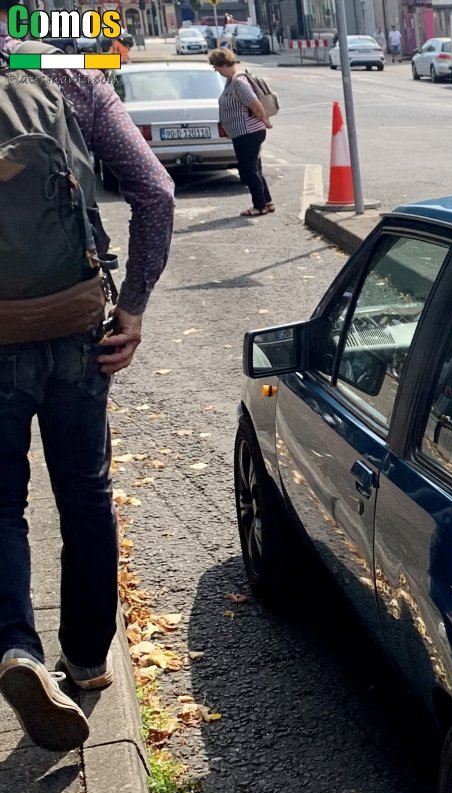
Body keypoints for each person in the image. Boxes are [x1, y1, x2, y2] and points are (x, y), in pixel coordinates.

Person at [0, 28, 175, 751]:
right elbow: (156, 192)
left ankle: (16, 647)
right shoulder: (62, 65)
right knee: (86, 493)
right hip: (78, 331)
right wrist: (131, 306)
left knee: (1, 504)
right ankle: (86, 657)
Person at [210, 47, 273, 218]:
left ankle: (259, 206)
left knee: (248, 171)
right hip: (243, 133)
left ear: (223, 64)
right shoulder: (231, 81)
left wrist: (265, 121)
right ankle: (267, 202)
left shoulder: (238, 82)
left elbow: (254, 103)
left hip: (248, 133)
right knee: (254, 169)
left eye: (216, 65)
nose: (215, 69)